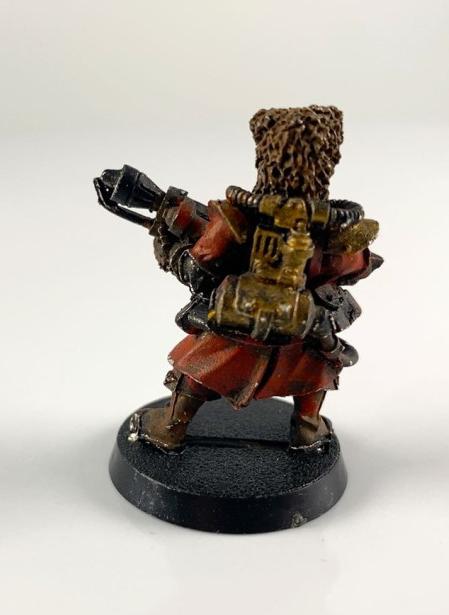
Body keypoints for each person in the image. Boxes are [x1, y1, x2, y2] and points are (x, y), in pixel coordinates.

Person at [132, 105, 382, 452]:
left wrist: (170, 250)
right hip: (308, 330)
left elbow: (199, 267)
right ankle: (307, 429)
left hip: (244, 325)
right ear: (330, 158)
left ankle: (170, 428)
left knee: (200, 368)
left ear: (264, 156)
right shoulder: (338, 228)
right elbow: (357, 266)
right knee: (314, 372)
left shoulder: (239, 216)